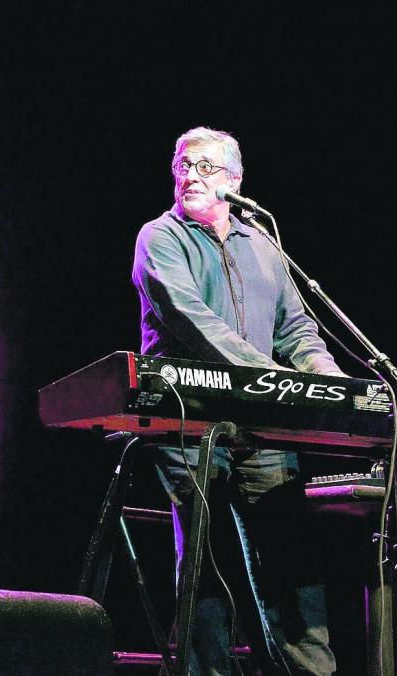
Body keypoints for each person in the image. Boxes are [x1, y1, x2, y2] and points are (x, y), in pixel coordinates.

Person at [131, 127, 339, 675]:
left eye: (205, 167)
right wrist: (268, 374)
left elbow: (297, 328)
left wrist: (330, 381)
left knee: (291, 558)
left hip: (263, 425)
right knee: (208, 558)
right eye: (182, 165)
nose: (189, 175)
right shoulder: (159, 237)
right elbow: (192, 320)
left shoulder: (263, 245)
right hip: (188, 419)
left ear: (235, 182)